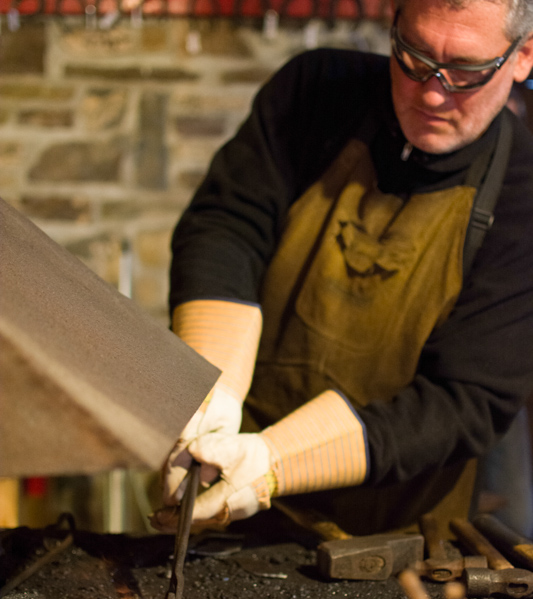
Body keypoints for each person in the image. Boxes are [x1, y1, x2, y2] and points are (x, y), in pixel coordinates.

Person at [152, 0, 533, 538]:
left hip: (394, 536)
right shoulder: (315, 92)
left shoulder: (523, 197)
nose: (431, 93)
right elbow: (226, 225)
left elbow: (466, 400)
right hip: (228, 487)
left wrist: (274, 462)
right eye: (414, 57)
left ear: (522, 57)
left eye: (466, 72)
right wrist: (211, 394)